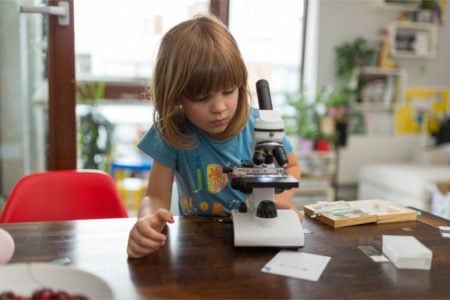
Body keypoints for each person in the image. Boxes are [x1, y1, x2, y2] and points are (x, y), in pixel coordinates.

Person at [127, 15, 302, 259]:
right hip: (197, 247)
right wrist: (147, 221)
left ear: (240, 83)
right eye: (201, 97)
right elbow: (156, 195)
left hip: (256, 245)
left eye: (228, 91)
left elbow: (291, 166)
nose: (219, 107)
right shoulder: (171, 133)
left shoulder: (260, 125)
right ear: (176, 95)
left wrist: (278, 201)